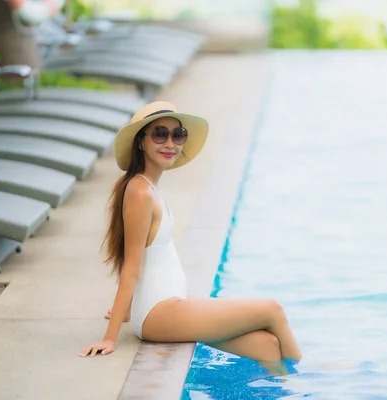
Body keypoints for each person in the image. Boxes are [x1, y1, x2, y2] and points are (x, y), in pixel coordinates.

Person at [79, 101, 302, 373]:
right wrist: (110, 337)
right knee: (272, 310)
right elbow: (132, 265)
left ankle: (287, 383)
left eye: (178, 134)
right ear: (140, 142)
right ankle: (306, 380)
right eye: (160, 134)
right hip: (158, 313)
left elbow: (136, 252)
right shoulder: (140, 192)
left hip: (169, 306)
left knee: (266, 345)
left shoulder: (148, 187)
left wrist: (125, 310)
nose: (170, 143)